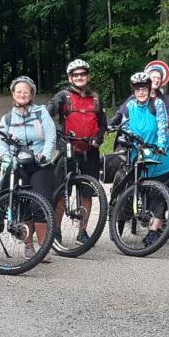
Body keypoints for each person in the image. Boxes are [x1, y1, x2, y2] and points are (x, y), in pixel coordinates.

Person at [109, 72, 169, 246]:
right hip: (139, 153)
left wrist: (161, 144)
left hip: (161, 156)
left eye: (144, 89)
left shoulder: (158, 104)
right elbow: (125, 124)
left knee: (158, 194)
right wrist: (121, 133)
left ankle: (154, 231)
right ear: (134, 91)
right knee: (129, 185)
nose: (141, 92)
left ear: (149, 89)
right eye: (138, 89)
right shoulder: (130, 105)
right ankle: (119, 217)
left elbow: (163, 126)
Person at [46, 59, 107, 245]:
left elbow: (103, 125)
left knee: (87, 193)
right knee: (61, 192)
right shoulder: (63, 96)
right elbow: (48, 113)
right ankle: (55, 231)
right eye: (75, 75)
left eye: (82, 74)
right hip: (69, 150)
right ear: (70, 78)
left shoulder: (96, 98)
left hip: (90, 151)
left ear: (87, 76)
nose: (79, 78)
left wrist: (98, 138)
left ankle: (82, 231)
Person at [0, 76, 57, 262]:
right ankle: (29, 246)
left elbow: (51, 137)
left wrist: (45, 155)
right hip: (18, 165)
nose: (22, 94)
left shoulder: (41, 113)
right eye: (18, 91)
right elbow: (1, 142)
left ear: (32, 94)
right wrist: (8, 158)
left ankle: (43, 247)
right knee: (23, 205)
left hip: (40, 164)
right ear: (13, 94)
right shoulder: (7, 118)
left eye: (26, 91)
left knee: (40, 202)